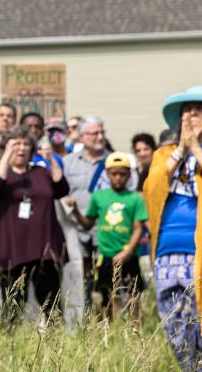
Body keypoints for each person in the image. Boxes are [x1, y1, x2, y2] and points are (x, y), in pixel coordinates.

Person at [144, 85, 202, 371]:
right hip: (167, 253)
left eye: (198, 110)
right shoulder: (164, 153)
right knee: (175, 326)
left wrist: (196, 149)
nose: (192, 115)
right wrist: (181, 148)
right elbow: (152, 186)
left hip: (199, 254)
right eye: (187, 111)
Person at [0, 125, 68, 322]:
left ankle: (57, 346)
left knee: (52, 305)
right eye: (16, 144)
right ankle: (12, 346)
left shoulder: (41, 172)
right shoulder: (0, 173)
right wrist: (6, 154)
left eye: (25, 144)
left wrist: (51, 160)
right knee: (13, 306)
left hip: (44, 249)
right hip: (11, 249)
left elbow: (62, 188)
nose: (21, 148)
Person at [62, 115, 136, 300]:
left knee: (109, 282)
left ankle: (110, 321)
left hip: (107, 231)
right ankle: (83, 319)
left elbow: (130, 193)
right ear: (82, 136)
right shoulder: (68, 162)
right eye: (94, 133)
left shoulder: (115, 162)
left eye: (102, 132)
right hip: (76, 230)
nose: (100, 137)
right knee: (79, 278)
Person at [68, 152, 147, 320]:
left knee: (133, 295)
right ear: (107, 174)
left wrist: (127, 252)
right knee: (108, 295)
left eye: (122, 174)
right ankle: (110, 331)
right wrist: (75, 210)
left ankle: (135, 331)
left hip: (128, 255)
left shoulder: (134, 198)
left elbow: (138, 228)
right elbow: (88, 223)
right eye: (114, 173)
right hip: (106, 256)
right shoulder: (99, 197)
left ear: (129, 175)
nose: (118, 178)